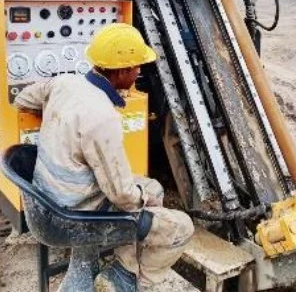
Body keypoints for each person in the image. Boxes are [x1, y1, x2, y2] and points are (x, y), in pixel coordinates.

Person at [14, 23, 194, 292]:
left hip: (44, 204)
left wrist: (58, 115)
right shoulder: (101, 116)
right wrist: (142, 201)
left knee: (153, 188)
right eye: (136, 67)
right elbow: (122, 196)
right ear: (121, 72)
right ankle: (126, 281)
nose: (139, 72)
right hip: (73, 218)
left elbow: (23, 100)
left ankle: (125, 266)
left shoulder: (65, 82)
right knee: (181, 227)